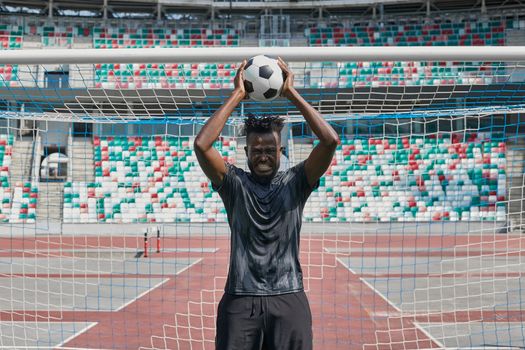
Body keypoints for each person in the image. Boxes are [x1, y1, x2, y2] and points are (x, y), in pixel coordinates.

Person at [194, 57, 339, 350]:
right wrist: (238, 93)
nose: (263, 155)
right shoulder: (234, 184)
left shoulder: (297, 182)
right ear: (246, 151)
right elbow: (202, 145)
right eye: (257, 150)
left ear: (281, 150)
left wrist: (290, 92)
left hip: (288, 298)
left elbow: (330, 141)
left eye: (270, 150)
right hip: (240, 298)